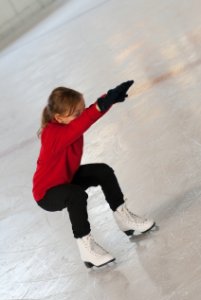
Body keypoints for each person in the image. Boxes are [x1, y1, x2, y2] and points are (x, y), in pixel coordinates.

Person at [32, 81, 155, 268]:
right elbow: (81, 123)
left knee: (102, 172)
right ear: (59, 117)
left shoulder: (68, 123)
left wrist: (108, 99)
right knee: (75, 195)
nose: (81, 115)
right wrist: (101, 105)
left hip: (67, 178)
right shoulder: (52, 133)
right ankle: (86, 248)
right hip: (47, 193)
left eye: (81, 110)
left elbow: (85, 118)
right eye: (76, 113)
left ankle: (125, 219)